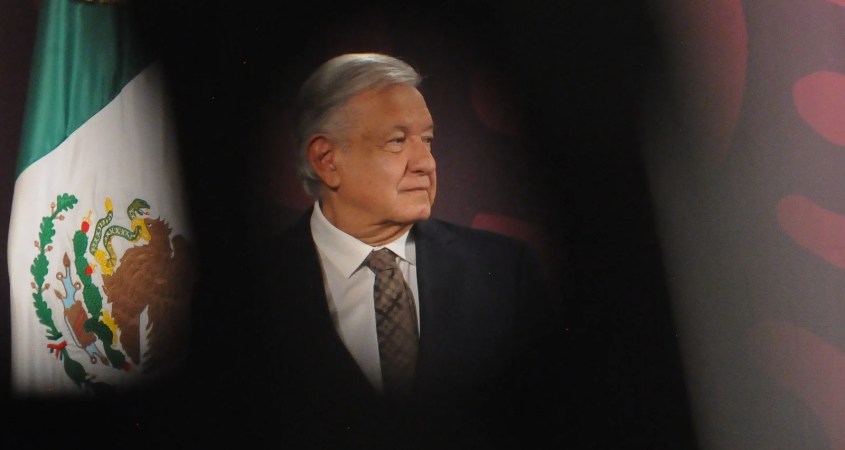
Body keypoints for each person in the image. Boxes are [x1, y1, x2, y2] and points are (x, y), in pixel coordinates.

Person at [230, 53, 565, 449]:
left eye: (427, 140)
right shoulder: (246, 290)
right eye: (396, 141)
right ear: (326, 160)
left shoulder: (507, 272)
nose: (426, 163)